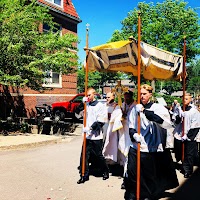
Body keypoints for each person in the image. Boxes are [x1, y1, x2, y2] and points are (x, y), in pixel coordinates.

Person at [124, 84, 179, 200]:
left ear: (150, 94)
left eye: (144, 94)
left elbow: (164, 123)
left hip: (151, 145)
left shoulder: (159, 108)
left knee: (149, 174)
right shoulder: (134, 108)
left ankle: (148, 194)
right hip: (136, 144)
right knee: (132, 171)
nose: (142, 96)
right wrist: (134, 134)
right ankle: (132, 194)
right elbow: (131, 125)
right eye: (140, 94)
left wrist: (145, 111)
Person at [75, 88, 109, 184]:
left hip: (96, 135)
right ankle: (84, 175)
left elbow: (101, 121)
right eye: (87, 95)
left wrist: (90, 128)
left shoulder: (100, 106)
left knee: (98, 155)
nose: (88, 97)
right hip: (87, 136)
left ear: (94, 94)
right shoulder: (86, 105)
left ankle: (105, 170)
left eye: (89, 95)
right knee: (84, 156)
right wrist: (82, 104)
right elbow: (77, 114)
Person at [173, 93, 200, 178]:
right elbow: (175, 120)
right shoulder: (179, 109)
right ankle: (183, 164)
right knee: (180, 152)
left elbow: (196, 125)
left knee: (189, 154)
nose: (184, 100)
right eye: (183, 99)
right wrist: (178, 117)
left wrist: (188, 136)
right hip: (179, 134)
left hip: (189, 135)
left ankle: (188, 170)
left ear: (190, 100)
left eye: (186, 99)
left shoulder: (194, 111)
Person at [119, 90, 135, 189]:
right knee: (125, 156)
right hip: (124, 132)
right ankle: (126, 176)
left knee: (129, 157)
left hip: (132, 133)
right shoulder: (123, 104)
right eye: (125, 97)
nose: (126, 99)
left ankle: (127, 178)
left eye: (128, 97)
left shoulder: (135, 106)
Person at [102, 92, 124, 165]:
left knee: (113, 142)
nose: (107, 99)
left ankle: (114, 158)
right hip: (105, 125)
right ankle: (105, 157)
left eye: (108, 97)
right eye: (106, 97)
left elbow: (118, 115)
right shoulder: (104, 105)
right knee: (104, 141)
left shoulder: (116, 106)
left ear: (113, 97)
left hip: (113, 127)